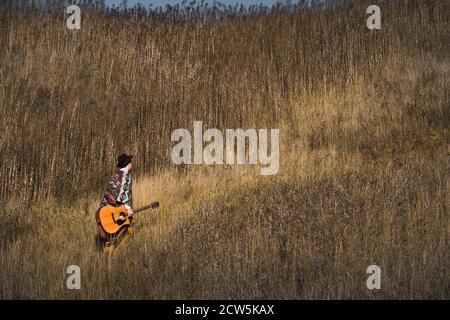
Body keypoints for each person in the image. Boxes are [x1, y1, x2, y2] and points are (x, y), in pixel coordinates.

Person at [96, 153, 134, 254]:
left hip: (105, 212)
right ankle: (120, 256)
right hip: (117, 211)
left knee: (109, 238)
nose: (132, 164)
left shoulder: (116, 175)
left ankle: (107, 263)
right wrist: (128, 208)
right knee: (127, 229)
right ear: (128, 164)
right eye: (131, 162)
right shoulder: (126, 175)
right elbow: (123, 194)